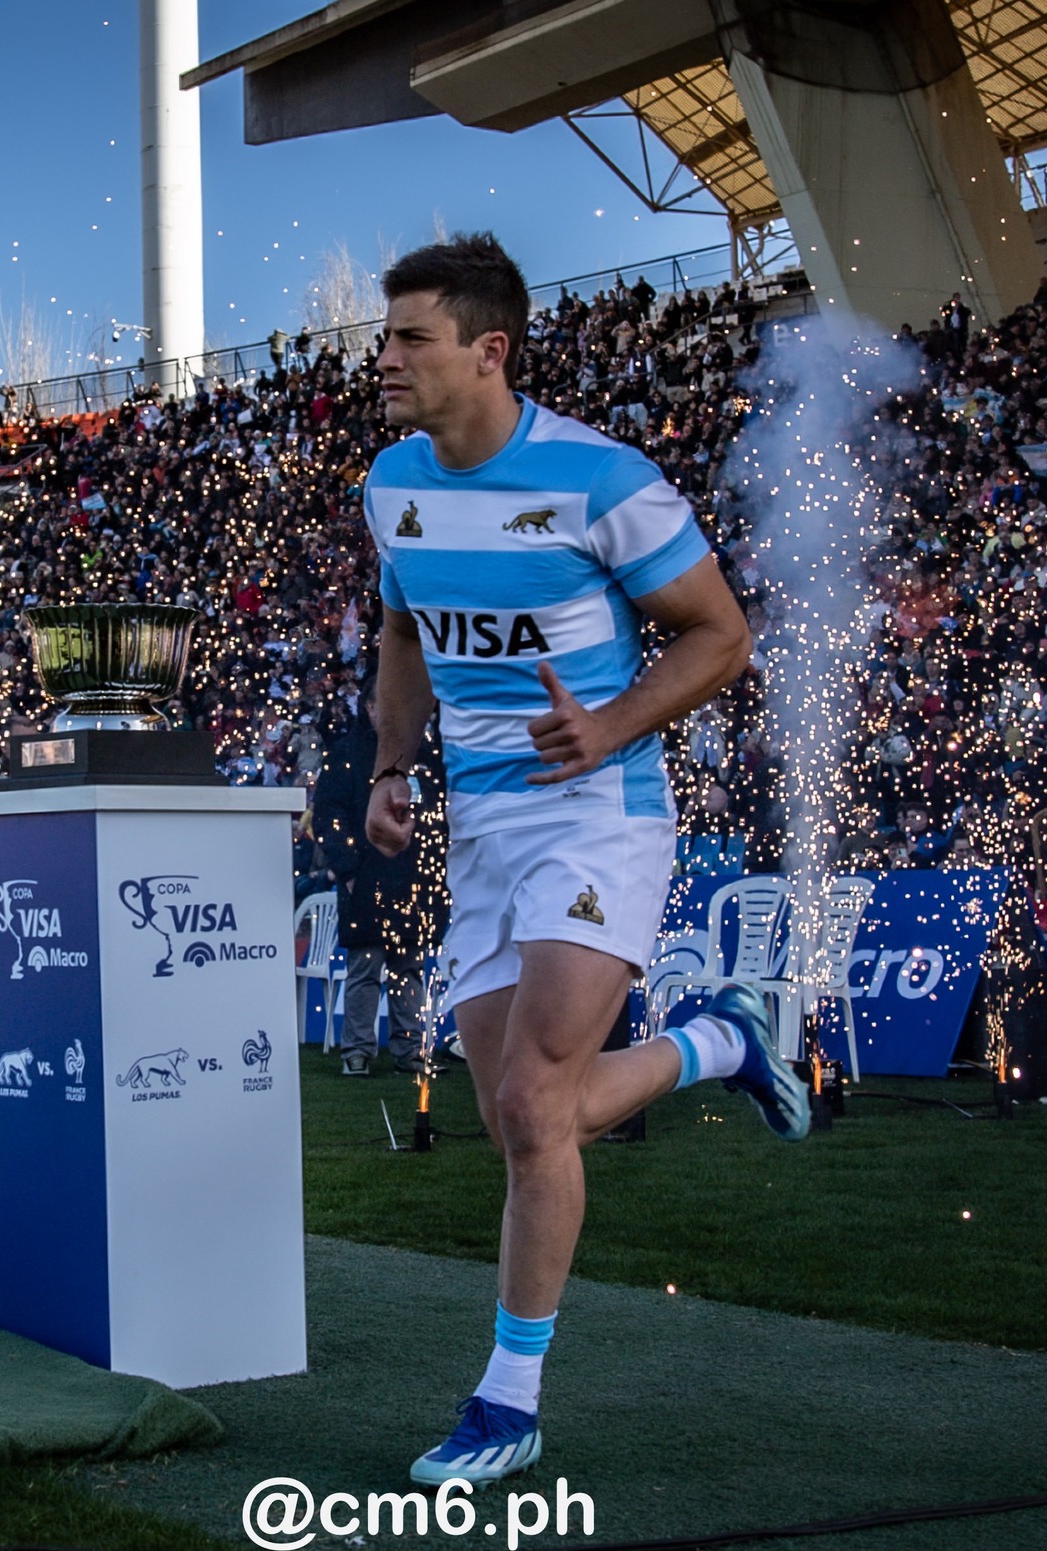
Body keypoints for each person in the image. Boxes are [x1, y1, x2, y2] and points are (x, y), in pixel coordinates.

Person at [361, 234, 808, 1489]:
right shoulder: (390, 484)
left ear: (487, 350)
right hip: (483, 834)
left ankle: (508, 1405)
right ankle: (717, 1042)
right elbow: (400, 631)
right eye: (384, 338)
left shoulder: (603, 479)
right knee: (526, 1126)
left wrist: (606, 725)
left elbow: (720, 636)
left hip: (598, 814)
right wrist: (392, 770)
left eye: (410, 339)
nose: (383, 360)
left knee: (524, 1106)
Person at [312, 672, 426, 1075]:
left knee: (408, 966)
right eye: (386, 705)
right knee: (365, 967)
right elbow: (329, 816)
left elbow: (433, 815)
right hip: (363, 877)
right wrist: (349, 870)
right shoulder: (344, 754)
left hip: (410, 877)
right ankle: (357, 1050)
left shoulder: (423, 754)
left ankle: (409, 1050)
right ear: (370, 708)